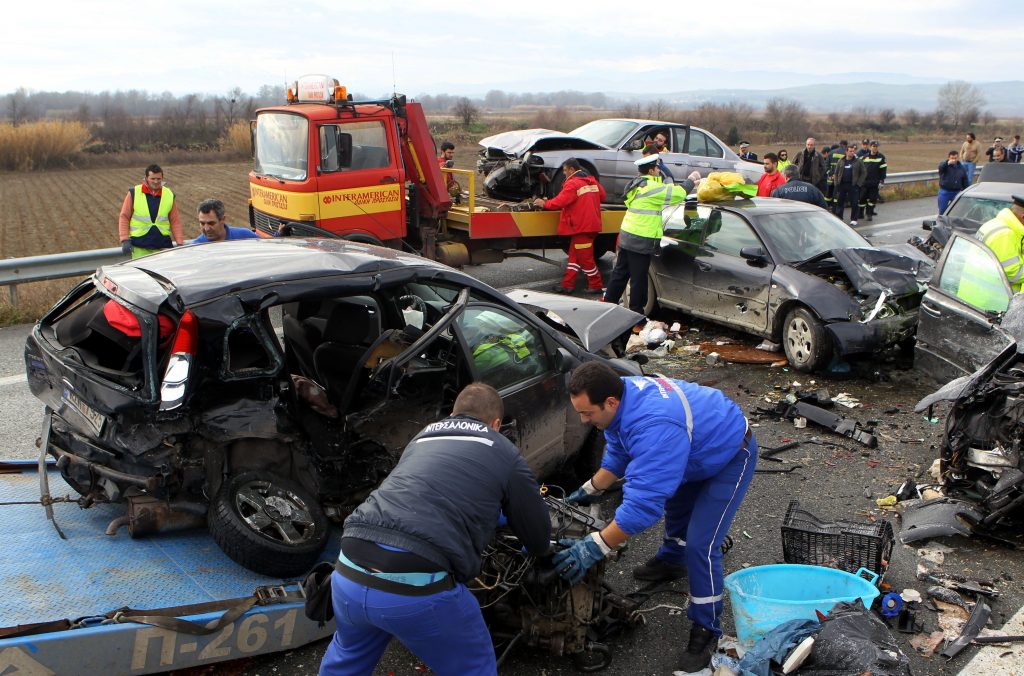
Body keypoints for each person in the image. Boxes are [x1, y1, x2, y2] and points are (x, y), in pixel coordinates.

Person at [319, 382, 550, 676]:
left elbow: (427, 496)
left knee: (347, 661)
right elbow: (537, 532)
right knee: (473, 668)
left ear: (454, 414)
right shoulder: (502, 448)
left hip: (348, 569)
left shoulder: (422, 437)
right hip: (415, 588)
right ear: (496, 423)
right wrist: (540, 550)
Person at [557, 362, 756, 673]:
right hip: (692, 450)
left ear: (610, 402)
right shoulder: (621, 397)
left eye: (587, 414)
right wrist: (590, 488)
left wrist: (596, 545)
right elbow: (621, 449)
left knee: (702, 546)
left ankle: (706, 630)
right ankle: (671, 560)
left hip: (729, 454)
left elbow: (642, 506)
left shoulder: (655, 424)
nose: (583, 421)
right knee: (675, 505)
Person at [603, 154, 686, 316]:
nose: (659, 170)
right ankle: (636, 316)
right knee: (639, 279)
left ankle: (607, 306)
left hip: (627, 236)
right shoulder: (651, 188)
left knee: (620, 274)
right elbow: (678, 194)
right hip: (640, 240)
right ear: (651, 170)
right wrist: (691, 180)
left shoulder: (637, 184)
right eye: (657, 168)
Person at [533, 158, 606, 295]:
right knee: (574, 257)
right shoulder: (591, 181)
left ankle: (596, 284)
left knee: (586, 259)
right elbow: (602, 196)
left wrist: (544, 203)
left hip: (581, 227)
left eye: (565, 170)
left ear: (572, 170)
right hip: (590, 226)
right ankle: (567, 285)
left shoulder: (573, 184)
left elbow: (560, 202)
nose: (565, 173)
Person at [118, 164, 184, 259]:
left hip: (163, 245)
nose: (156, 181)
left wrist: (180, 243)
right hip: (140, 246)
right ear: (146, 178)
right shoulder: (134, 192)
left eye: (158, 179)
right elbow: (124, 216)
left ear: (162, 178)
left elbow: (175, 221)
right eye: (153, 179)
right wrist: (124, 239)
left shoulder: (169, 194)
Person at [975, 195, 1024, 293]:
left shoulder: (997, 224)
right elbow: (1012, 272)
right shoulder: (1004, 234)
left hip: (980, 294)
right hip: (990, 300)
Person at [191, 199, 259, 243]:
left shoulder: (245, 236)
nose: (206, 228)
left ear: (223, 219)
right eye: (202, 223)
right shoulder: (196, 247)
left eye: (211, 223)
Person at [833, 144, 866, 225]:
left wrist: (858, 184)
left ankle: (854, 219)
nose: (852, 153)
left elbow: (864, 173)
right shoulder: (841, 160)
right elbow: (836, 173)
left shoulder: (858, 161)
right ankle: (839, 217)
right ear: (846, 152)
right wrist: (836, 183)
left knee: (854, 203)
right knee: (840, 202)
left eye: (853, 151)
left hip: (853, 185)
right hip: (842, 185)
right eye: (850, 151)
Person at [859, 141, 887, 222]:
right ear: (870, 147)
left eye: (876, 146)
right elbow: (860, 169)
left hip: (874, 182)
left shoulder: (881, 157)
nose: (875, 148)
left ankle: (869, 214)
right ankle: (860, 213)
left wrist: (882, 181)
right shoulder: (864, 157)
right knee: (862, 198)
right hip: (864, 182)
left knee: (872, 199)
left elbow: (883, 171)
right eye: (873, 146)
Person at [824, 140, 848, 210]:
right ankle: (835, 209)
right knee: (837, 195)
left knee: (828, 194)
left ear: (840, 144)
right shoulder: (845, 153)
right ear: (845, 145)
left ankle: (826, 207)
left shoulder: (831, 152)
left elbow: (826, 166)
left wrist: (830, 174)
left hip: (830, 178)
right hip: (840, 179)